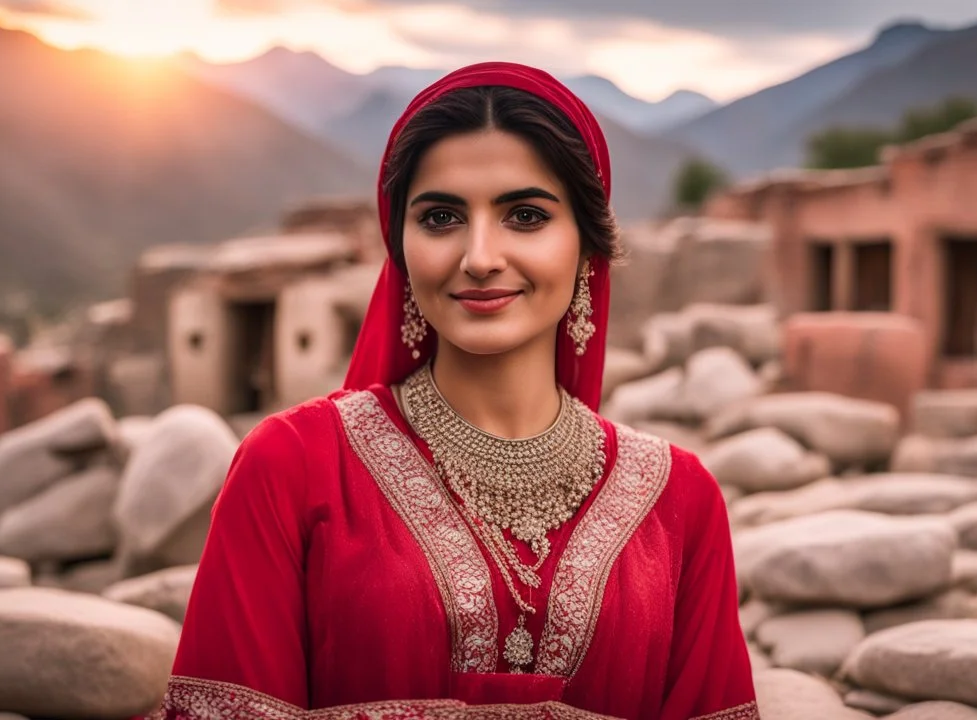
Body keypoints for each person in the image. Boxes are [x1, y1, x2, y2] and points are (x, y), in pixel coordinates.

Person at [151, 62, 758, 720]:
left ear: (588, 247)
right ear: (400, 247)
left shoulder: (679, 501)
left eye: (525, 216)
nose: (479, 256)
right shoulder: (292, 466)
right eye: (440, 217)